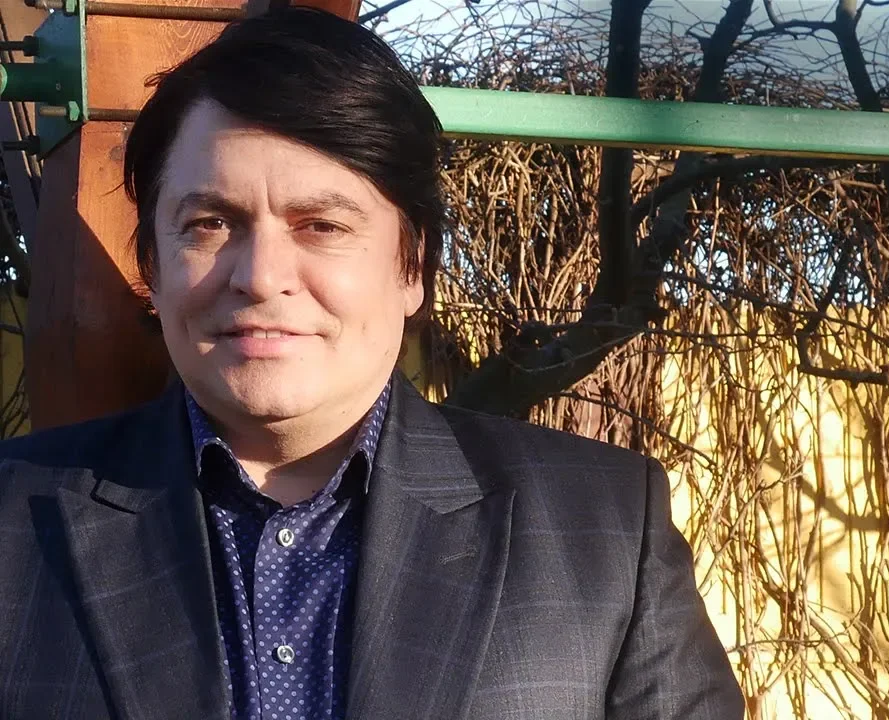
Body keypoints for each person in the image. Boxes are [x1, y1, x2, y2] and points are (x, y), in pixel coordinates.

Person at [0, 8, 743, 719]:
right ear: (154, 268)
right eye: (211, 223)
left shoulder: (602, 530)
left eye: (321, 226)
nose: (260, 276)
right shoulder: (13, 523)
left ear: (412, 264)